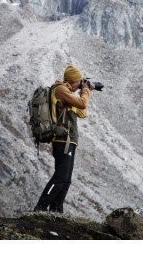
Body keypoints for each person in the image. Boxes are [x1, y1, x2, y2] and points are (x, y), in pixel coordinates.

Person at [34, 65, 94, 213]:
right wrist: (85, 90)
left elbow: (82, 112)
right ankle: (40, 209)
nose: (80, 84)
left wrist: (81, 91)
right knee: (60, 177)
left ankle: (56, 211)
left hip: (70, 140)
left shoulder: (68, 94)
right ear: (74, 80)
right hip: (62, 140)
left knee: (66, 180)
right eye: (79, 82)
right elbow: (83, 103)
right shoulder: (60, 89)